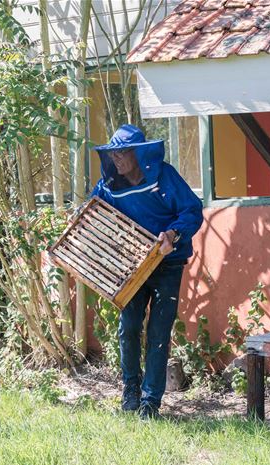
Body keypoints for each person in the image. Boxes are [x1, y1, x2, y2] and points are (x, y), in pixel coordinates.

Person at [91, 124, 203, 419]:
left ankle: (151, 401)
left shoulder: (164, 177)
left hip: (168, 263)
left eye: (123, 152)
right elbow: (93, 212)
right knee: (128, 327)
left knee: (158, 332)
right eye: (113, 153)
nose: (117, 159)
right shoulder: (109, 185)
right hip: (132, 266)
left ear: (139, 153)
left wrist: (173, 234)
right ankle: (131, 390)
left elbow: (192, 210)